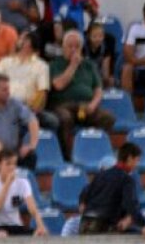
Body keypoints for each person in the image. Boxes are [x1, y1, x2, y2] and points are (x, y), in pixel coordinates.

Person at [48, 29, 115, 157]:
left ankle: (93, 152)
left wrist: (93, 105)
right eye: (70, 46)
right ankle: (67, 157)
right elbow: (58, 85)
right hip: (63, 105)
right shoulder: (55, 64)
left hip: (85, 106)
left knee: (107, 118)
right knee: (64, 119)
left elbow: (98, 89)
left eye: (77, 46)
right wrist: (73, 65)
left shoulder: (89, 65)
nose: (73, 49)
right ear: (63, 47)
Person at [79, 142, 145, 239]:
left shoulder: (101, 175)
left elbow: (83, 197)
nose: (137, 165)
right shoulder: (126, 179)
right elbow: (130, 205)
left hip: (84, 226)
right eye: (137, 160)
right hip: (104, 227)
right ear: (130, 158)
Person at [0, 72, 40, 166]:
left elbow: (32, 120)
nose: (8, 92)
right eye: (4, 90)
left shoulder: (15, 104)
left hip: (15, 151)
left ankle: (27, 179)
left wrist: (32, 145)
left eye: (8, 89)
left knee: (31, 155)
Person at [0, 149, 46, 236]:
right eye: (8, 164)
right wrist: (8, 183)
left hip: (14, 225)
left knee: (39, 235)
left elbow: (32, 208)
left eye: (14, 164)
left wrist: (40, 225)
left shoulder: (23, 183)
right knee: (2, 235)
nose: (12, 167)